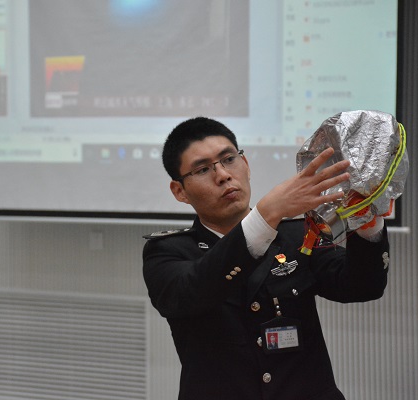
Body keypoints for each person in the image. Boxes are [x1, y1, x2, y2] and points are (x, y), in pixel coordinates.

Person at [142, 117, 389, 400]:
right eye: (202, 169)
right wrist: (266, 214)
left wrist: (367, 220)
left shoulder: (297, 234)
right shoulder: (168, 252)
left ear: (246, 165)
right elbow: (192, 290)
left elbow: (362, 286)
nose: (223, 175)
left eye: (229, 159)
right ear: (179, 191)